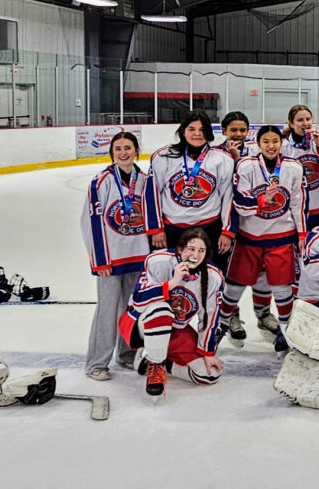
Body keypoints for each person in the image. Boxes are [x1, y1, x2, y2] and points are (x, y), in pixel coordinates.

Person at [220, 125, 307, 350]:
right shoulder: (246, 165)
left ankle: (287, 334)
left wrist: (302, 233)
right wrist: (260, 202)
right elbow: (238, 201)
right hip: (249, 238)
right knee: (234, 287)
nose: (271, 146)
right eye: (266, 141)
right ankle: (219, 327)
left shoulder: (293, 167)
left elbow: (298, 203)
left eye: (275, 141)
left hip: (281, 237)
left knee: (282, 288)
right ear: (258, 144)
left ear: (281, 143)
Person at [80, 132, 155, 380]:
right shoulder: (101, 182)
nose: (123, 152)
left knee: (132, 309)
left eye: (128, 147)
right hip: (111, 260)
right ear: (111, 153)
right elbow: (91, 222)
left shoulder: (144, 180)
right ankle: (96, 362)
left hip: (138, 256)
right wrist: (100, 260)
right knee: (107, 310)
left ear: (136, 151)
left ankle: (127, 354)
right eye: (118, 149)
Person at [119, 228, 224, 397]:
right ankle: (155, 365)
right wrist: (172, 283)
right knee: (162, 310)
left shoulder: (213, 276)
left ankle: (156, 361)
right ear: (180, 249)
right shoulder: (157, 261)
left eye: (201, 250)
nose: (195, 254)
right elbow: (138, 300)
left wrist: (208, 352)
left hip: (176, 330)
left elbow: (210, 318)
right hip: (141, 324)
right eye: (191, 249)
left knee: (209, 374)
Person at [216, 111, 280, 341]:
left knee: (262, 270)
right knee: (231, 274)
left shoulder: (257, 152)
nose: (238, 134)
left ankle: (263, 313)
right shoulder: (215, 154)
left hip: (255, 222)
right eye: (233, 130)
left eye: (243, 130)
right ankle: (231, 315)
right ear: (223, 131)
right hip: (228, 221)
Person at [147, 110, 235, 266]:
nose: (197, 134)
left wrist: (227, 232)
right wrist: (156, 229)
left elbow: (228, 197)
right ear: (183, 131)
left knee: (210, 279)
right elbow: (152, 194)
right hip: (171, 231)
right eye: (192, 129)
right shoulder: (163, 156)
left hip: (209, 229)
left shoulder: (222, 159)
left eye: (202, 130)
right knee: (173, 279)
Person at [281, 104, 319, 230]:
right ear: (291, 123)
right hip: (294, 210)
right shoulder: (283, 147)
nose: (305, 123)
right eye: (300, 120)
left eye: (308, 119)